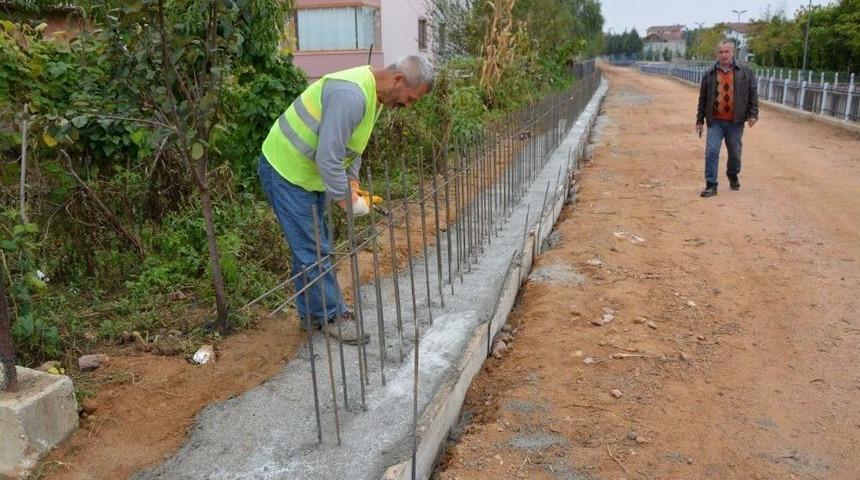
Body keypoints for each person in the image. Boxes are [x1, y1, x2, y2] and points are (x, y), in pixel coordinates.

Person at [258, 55, 434, 345]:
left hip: (306, 174)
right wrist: (348, 202)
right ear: (398, 80)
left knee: (312, 245)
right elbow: (328, 157)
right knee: (313, 248)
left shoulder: (373, 96)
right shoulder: (351, 95)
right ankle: (332, 315)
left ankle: (312, 315)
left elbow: (353, 144)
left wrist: (351, 181)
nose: (408, 105)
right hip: (286, 170)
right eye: (411, 99)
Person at [695, 40, 759, 197]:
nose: (724, 55)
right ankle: (711, 184)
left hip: (735, 122)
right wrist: (699, 120)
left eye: (727, 52)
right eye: (721, 52)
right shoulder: (709, 74)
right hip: (714, 121)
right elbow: (702, 98)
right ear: (717, 54)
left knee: (735, 153)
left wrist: (753, 114)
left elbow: (753, 94)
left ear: (733, 52)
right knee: (711, 152)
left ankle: (732, 173)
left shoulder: (745, 72)